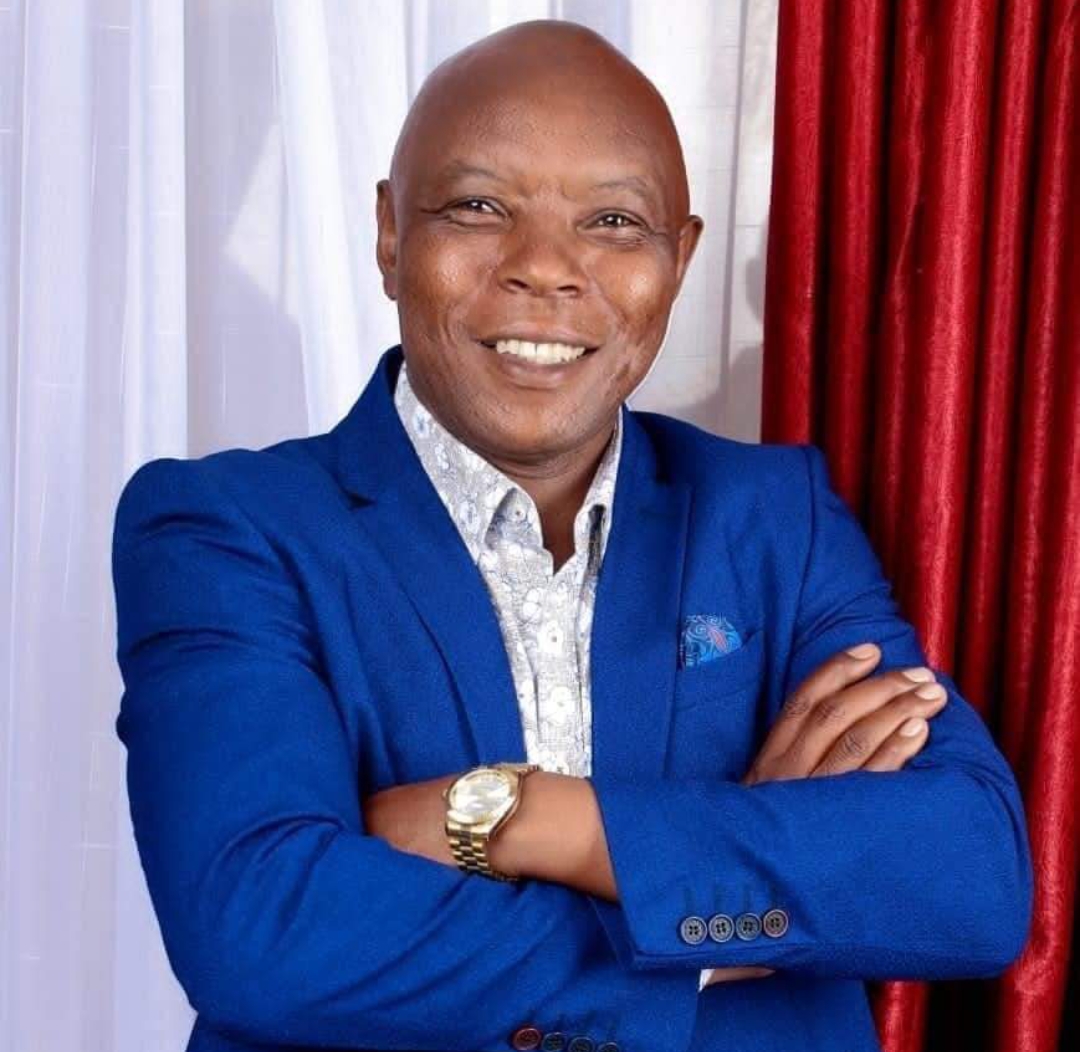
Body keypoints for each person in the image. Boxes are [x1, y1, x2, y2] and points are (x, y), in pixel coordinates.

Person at [111, 19, 1033, 1052]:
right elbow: (261, 924)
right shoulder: (224, 529)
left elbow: (971, 875)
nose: (545, 268)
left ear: (679, 259)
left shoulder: (777, 518)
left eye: (614, 221)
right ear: (390, 235)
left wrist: (524, 819)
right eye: (478, 206)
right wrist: (716, 894)